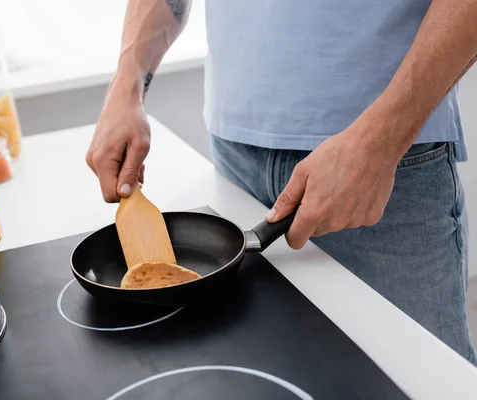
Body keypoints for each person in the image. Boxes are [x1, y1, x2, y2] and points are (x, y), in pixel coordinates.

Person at [85, 1, 477, 364]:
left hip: (380, 165)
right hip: (233, 154)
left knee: (425, 374)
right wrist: (126, 86)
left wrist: (380, 141)